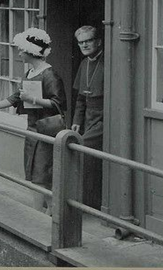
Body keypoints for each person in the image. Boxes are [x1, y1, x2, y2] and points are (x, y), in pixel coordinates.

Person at [0, 28, 66, 215]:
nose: (19, 53)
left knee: (41, 177)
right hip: (32, 129)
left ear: (30, 51)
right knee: (35, 175)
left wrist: (33, 100)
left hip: (46, 130)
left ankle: (38, 215)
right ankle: (51, 213)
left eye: (21, 50)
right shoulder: (30, 73)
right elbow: (15, 98)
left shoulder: (50, 75)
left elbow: (59, 103)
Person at [71, 25, 104, 209]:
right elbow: (81, 99)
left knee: (81, 151)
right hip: (87, 118)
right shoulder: (84, 63)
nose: (84, 45)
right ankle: (85, 203)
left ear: (98, 41)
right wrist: (76, 121)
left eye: (88, 41)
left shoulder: (107, 62)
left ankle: (86, 204)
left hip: (103, 119)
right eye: (81, 42)